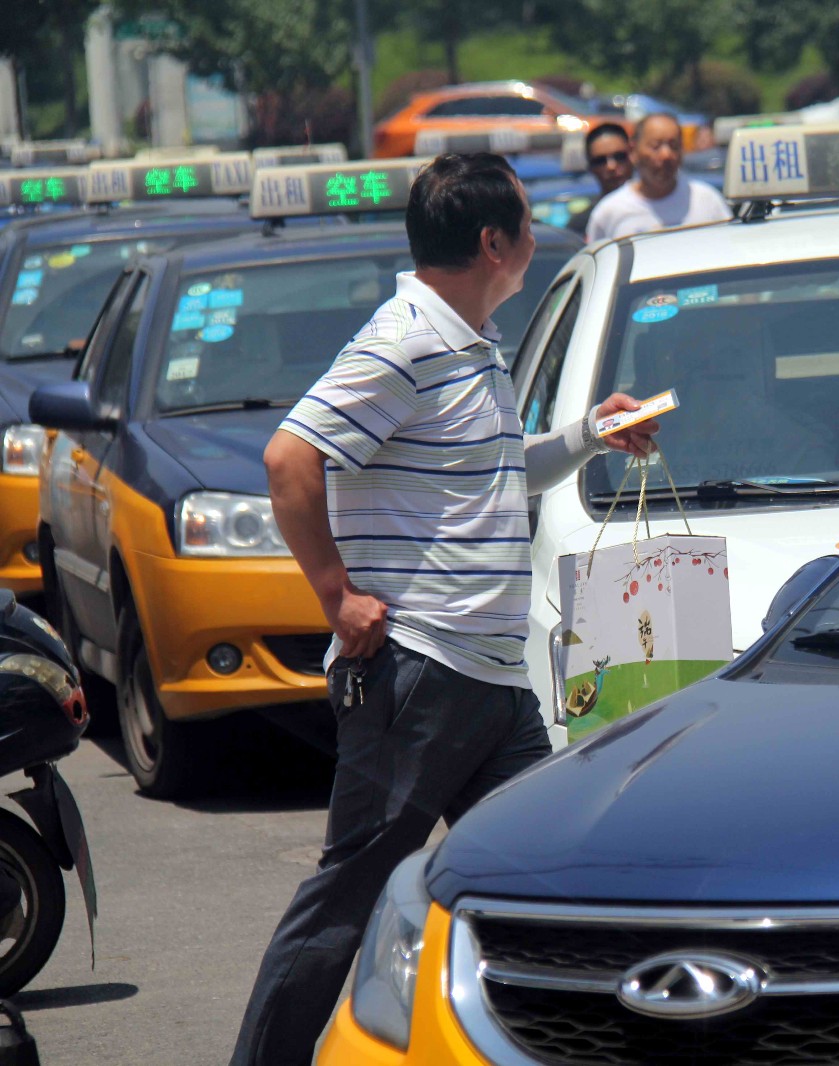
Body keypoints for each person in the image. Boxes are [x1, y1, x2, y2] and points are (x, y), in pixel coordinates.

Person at [231, 152, 658, 1066]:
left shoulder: (469, 342)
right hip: (419, 674)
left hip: (490, 681)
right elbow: (288, 460)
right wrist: (336, 598)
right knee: (348, 899)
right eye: (530, 227)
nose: (540, 241)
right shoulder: (407, 339)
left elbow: (500, 474)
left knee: (542, 877)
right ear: (493, 242)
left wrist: (591, 437)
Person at [585, 112, 730, 242]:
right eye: (656, 146)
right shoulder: (608, 213)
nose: (666, 155)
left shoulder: (708, 202)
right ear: (633, 152)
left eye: (673, 146)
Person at [568, 121, 633, 239]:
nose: (611, 166)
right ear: (590, 168)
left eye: (619, 156)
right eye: (600, 161)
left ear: (634, 156)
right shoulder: (582, 224)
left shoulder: (658, 206)